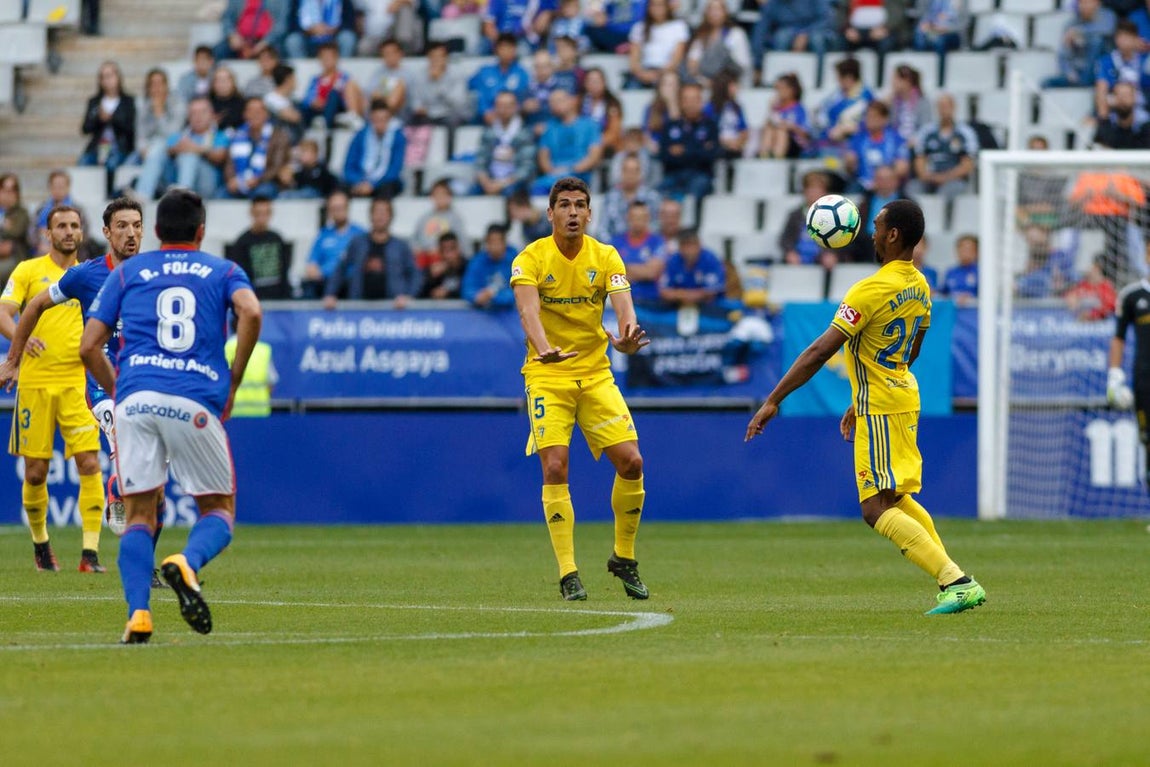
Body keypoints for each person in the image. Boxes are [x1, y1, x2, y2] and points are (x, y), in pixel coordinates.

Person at [745, 199, 987, 615]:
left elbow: (821, 351)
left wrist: (772, 400)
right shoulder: (920, 284)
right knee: (895, 495)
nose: (871, 232)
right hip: (902, 396)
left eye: (877, 225)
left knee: (874, 508)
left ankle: (955, 580)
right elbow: (912, 349)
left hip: (880, 403)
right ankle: (953, 577)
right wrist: (863, 395)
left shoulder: (870, 289)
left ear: (893, 235)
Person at [79, 188, 262, 644]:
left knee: (139, 515)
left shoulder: (129, 272)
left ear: (155, 231)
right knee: (218, 509)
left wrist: (121, 392)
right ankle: (186, 562)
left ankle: (138, 615)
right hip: (194, 397)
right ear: (201, 230)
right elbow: (251, 311)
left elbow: (87, 347)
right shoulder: (223, 270)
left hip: (137, 402)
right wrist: (234, 378)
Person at [0, 199, 170, 584]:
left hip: (143, 383)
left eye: (137, 225)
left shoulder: (155, 275)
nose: (131, 233)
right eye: (122, 226)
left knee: (156, 488)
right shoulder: (80, 276)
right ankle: (108, 494)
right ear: (107, 233)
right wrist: (13, 359)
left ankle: (141, 562)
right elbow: (30, 308)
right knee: (49, 467)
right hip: (98, 385)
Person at [510, 176, 652, 601]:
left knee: (632, 462)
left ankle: (623, 558)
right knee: (555, 467)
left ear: (590, 214)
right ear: (550, 213)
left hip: (595, 374)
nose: (573, 212)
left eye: (580, 205)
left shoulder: (606, 256)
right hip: (546, 374)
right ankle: (568, 571)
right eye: (565, 205)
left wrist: (626, 336)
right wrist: (543, 347)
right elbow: (527, 311)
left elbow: (624, 306)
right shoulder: (529, 259)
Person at [0, 206, 106, 573]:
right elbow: (4, 312)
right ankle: (42, 545)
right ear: (48, 233)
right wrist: (20, 340)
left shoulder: (90, 274)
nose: (68, 231)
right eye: (61, 225)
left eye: (75, 225)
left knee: (90, 463)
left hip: (79, 383)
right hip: (36, 383)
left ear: (82, 231)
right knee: (35, 473)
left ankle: (90, 554)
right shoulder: (29, 270)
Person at [324, 196, 421, 305]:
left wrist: (409, 296)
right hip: (360, 308)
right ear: (370, 215)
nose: (380, 217)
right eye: (376, 212)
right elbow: (340, 269)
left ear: (391, 216)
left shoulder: (401, 246)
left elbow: (415, 274)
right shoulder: (358, 243)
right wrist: (330, 294)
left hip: (393, 310)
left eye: (384, 213)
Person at [79, 61, 137, 196]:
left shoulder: (128, 101)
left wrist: (112, 118)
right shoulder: (94, 101)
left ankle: (110, 196)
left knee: (111, 164)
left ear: (118, 77)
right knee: (83, 163)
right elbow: (85, 128)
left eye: (110, 75)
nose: (107, 80)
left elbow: (130, 128)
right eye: (103, 76)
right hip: (98, 147)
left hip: (119, 147)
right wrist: (99, 119)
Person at [222, 97, 292, 199]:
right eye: (250, 111)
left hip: (266, 182)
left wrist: (257, 179)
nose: (254, 114)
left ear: (266, 114)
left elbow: (276, 166)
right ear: (245, 114)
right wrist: (231, 179)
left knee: (261, 195)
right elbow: (229, 164)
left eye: (258, 111)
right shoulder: (237, 135)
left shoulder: (279, 136)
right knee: (220, 195)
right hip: (238, 182)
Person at [302, 190, 365, 297]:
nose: (338, 211)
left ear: (347, 208)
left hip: (351, 283)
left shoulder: (360, 234)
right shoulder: (323, 235)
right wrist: (315, 271)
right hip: (325, 282)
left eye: (340, 207)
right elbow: (311, 264)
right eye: (334, 208)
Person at [227, 195, 292, 300]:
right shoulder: (242, 242)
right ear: (251, 213)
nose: (262, 218)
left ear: (271, 214)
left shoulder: (277, 239)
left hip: (278, 297)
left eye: (266, 213)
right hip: (253, 298)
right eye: (258, 214)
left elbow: (284, 269)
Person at [474, 91, 537, 197]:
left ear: (516, 107)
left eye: (508, 106)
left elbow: (527, 168)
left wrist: (501, 184)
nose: (503, 110)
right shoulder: (488, 132)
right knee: (471, 191)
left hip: (515, 182)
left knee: (512, 192)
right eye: (500, 106)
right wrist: (486, 182)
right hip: (490, 180)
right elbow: (480, 161)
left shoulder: (525, 133)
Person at [344, 99, 407, 199]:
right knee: (342, 189)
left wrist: (373, 184)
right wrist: (360, 182)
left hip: (384, 182)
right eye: (377, 119)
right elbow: (349, 165)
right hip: (361, 180)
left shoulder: (398, 137)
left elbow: (395, 168)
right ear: (371, 119)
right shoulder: (361, 135)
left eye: (384, 119)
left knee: (388, 188)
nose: (380, 124)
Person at [610, 200, 665, 307]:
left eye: (642, 217)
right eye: (634, 217)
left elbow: (652, 273)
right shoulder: (616, 242)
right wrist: (643, 269)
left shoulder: (657, 242)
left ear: (648, 218)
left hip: (651, 303)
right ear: (628, 218)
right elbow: (613, 274)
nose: (638, 221)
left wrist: (626, 268)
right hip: (623, 302)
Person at [658, 228, 726, 307]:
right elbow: (664, 292)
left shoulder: (711, 259)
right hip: (678, 306)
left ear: (699, 244)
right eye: (685, 245)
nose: (689, 250)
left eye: (692, 245)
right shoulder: (673, 260)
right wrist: (688, 295)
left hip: (709, 308)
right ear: (680, 247)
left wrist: (679, 294)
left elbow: (710, 293)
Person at [462, 223, 517, 309]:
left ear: (505, 242)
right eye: (491, 242)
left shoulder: (516, 260)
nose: (494, 246)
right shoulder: (477, 261)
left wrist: (493, 296)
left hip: (511, 314)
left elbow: (520, 291)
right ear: (486, 243)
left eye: (498, 242)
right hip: (482, 315)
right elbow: (467, 288)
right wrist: (476, 296)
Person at [214, 0, 289, 61]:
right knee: (219, 50)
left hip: (268, 41)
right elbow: (227, 18)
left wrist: (265, 42)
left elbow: (281, 25)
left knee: (278, 51)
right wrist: (232, 35)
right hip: (240, 40)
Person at [284, 0, 358, 58]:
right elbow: (291, 23)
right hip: (307, 37)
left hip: (334, 37)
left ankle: (341, 72)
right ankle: (300, 70)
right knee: (293, 41)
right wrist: (308, 30)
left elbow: (350, 20)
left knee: (347, 38)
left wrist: (334, 29)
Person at [0, 173, 34, 286]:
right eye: (4, 190)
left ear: (17, 194)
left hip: (15, 257)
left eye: (11, 191)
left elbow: (15, 232)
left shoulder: (22, 213)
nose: (7, 194)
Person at [420, 231, 468, 299]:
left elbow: (470, 290)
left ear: (459, 249)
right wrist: (430, 278)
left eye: (452, 249)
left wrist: (448, 293)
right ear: (439, 251)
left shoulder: (468, 267)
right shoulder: (433, 270)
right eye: (443, 250)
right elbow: (419, 294)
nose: (448, 255)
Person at [940, 233, 978, 305]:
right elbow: (943, 294)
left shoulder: (981, 272)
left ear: (976, 252)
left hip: (973, 313)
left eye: (968, 249)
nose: (965, 252)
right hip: (952, 313)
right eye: (962, 248)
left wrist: (970, 298)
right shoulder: (950, 272)